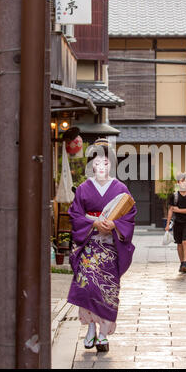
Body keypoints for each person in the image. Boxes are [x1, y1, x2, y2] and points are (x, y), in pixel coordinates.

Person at [67, 139, 137, 352]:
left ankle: (104, 335)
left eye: (105, 161)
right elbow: (75, 215)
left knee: (107, 291)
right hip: (90, 246)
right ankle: (90, 330)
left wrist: (114, 224)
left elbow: (130, 216)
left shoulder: (121, 188)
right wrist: (93, 222)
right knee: (87, 288)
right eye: (96, 162)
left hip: (110, 249)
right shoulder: (83, 188)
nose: (101, 166)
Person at [165, 173, 186, 273]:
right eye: (182, 181)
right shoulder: (174, 196)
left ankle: (185, 263)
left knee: (185, 242)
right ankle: (182, 263)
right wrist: (167, 224)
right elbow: (170, 210)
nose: (184, 183)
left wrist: (178, 210)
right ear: (178, 183)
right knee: (179, 244)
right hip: (177, 223)